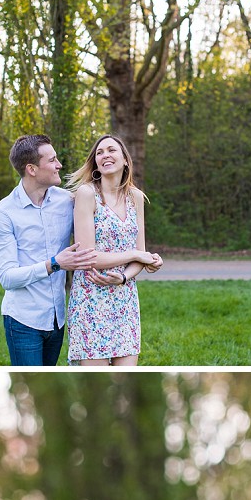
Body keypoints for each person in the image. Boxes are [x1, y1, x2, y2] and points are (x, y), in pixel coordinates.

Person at [0, 134, 99, 366]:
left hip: (58, 319)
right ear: (32, 169)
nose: (59, 165)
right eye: (52, 160)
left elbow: (105, 214)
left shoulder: (67, 201)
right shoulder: (2, 214)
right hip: (23, 321)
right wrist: (55, 264)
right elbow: (8, 277)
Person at [64, 133, 163, 366]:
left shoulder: (135, 197)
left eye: (111, 150)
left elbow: (141, 255)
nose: (105, 155)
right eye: (99, 152)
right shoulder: (87, 194)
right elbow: (88, 256)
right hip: (91, 297)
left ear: (125, 160)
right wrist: (136, 255)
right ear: (95, 163)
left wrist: (123, 276)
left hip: (124, 298)